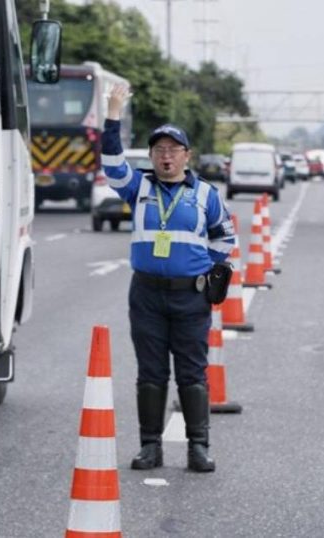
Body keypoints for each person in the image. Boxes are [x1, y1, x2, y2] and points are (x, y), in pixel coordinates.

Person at [101, 84, 236, 473]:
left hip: (190, 298)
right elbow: (111, 162)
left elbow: (225, 237)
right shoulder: (138, 187)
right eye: (158, 150)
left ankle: (198, 447)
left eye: (173, 150)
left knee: (192, 373)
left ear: (186, 156)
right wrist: (113, 112)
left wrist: (202, 269)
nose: (165, 156)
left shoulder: (205, 195)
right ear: (151, 156)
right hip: (146, 295)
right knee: (151, 373)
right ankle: (150, 447)